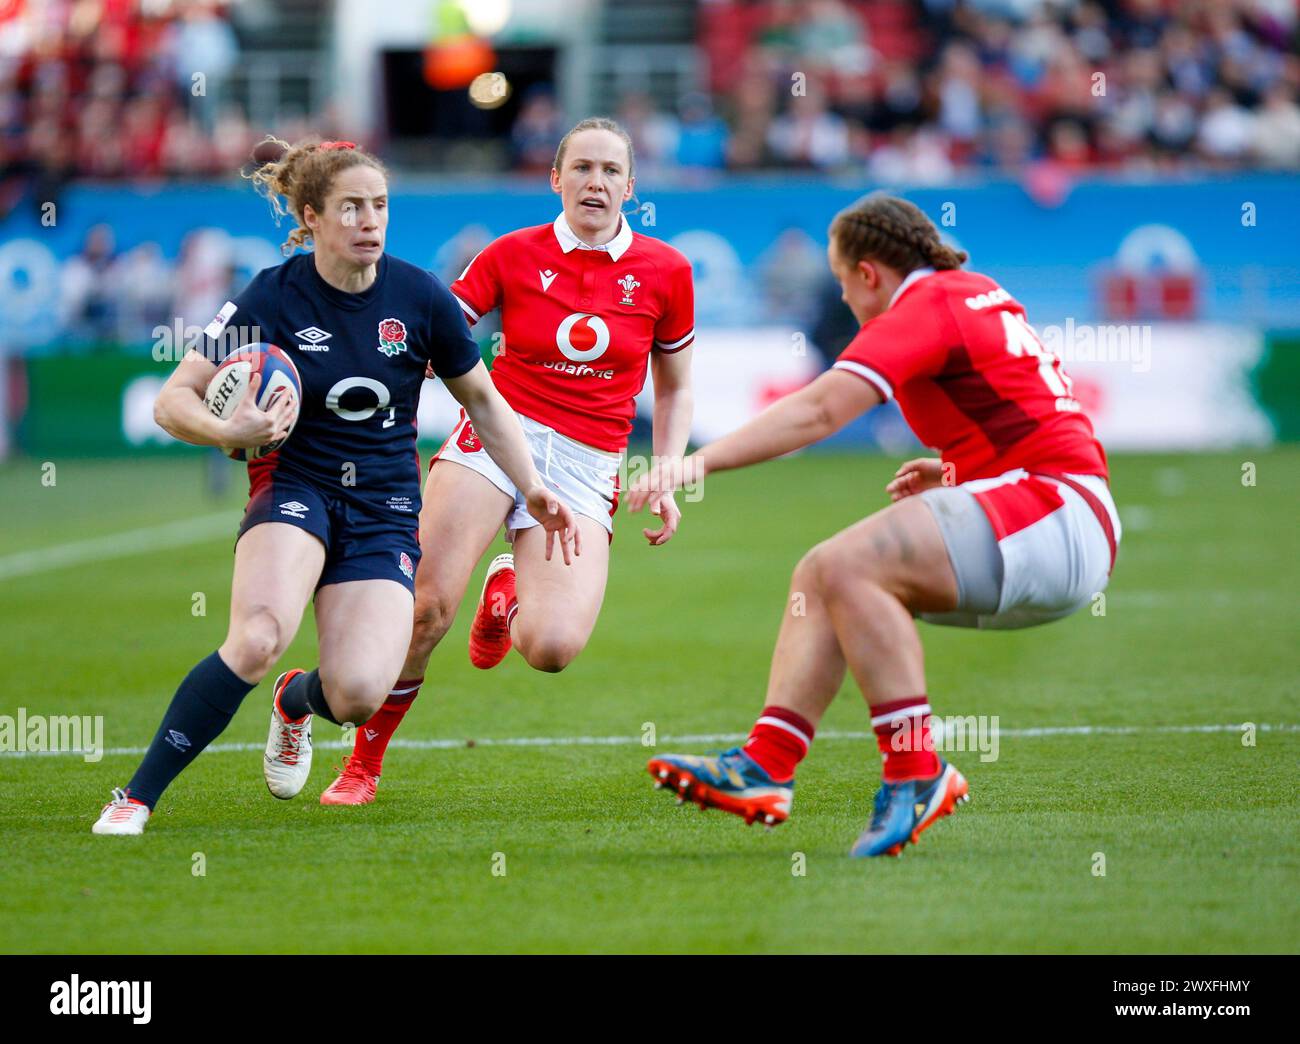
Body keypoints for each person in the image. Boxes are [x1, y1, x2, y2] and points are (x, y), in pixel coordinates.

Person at [92, 137, 576, 835]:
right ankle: (135, 796)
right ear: (312, 215)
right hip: (296, 486)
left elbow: (485, 401)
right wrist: (230, 432)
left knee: (354, 694)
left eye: (379, 206)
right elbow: (173, 400)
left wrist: (530, 487)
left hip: (382, 506)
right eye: (351, 207)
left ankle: (297, 700)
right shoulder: (272, 294)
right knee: (258, 637)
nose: (369, 221)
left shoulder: (419, 297)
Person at [628, 193, 1119, 858]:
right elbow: (1030, 416)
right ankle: (765, 766)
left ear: (869, 273)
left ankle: (916, 773)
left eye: (840, 282)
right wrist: (958, 475)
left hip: (1052, 511)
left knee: (847, 567)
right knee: (819, 574)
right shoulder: (969, 292)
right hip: (1056, 509)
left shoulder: (927, 303)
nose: (845, 300)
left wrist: (692, 466)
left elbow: (819, 412)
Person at [319, 117, 695, 805]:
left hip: (588, 463)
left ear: (630, 188)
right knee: (427, 607)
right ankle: (363, 763)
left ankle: (506, 594)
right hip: (499, 435)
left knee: (552, 649)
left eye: (611, 171)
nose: (595, 182)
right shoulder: (510, 254)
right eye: (581, 167)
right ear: (556, 178)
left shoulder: (668, 272)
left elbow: (674, 384)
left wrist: (668, 468)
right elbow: (440, 335)